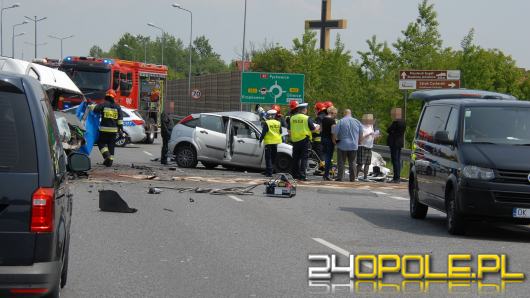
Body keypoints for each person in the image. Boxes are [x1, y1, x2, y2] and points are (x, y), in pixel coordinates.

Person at [92, 89, 123, 167]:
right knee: (111, 145)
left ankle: (106, 156)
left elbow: (95, 110)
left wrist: (92, 105)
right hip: (114, 131)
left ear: (106, 96)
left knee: (101, 143)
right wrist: (121, 129)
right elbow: (120, 120)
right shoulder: (117, 106)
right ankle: (110, 162)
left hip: (104, 130)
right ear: (113, 97)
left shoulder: (103, 104)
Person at [288, 102, 318, 181]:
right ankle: (302, 175)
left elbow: (289, 131)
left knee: (295, 158)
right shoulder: (307, 118)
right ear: (304, 110)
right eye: (306, 109)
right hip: (304, 140)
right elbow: (313, 129)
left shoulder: (292, 118)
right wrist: (318, 127)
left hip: (295, 140)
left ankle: (294, 174)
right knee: (304, 158)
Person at [332, 109, 363, 182]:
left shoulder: (341, 121)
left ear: (344, 113)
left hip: (342, 145)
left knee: (341, 162)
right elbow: (361, 133)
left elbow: (335, 133)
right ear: (350, 113)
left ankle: (340, 177)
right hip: (353, 145)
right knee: (352, 162)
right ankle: (352, 178)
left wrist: (334, 141)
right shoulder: (357, 122)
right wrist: (359, 142)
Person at [259, 110, 283, 177]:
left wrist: (260, 140)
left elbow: (263, 133)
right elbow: (280, 132)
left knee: (268, 158)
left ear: (269, 115)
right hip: (276, 142)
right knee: (273, 157)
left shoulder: (267, 123)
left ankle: (269, 173)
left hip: (269, 142)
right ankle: (270, 170)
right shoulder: (278, 123)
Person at [357, 114, 380, 181]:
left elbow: (373, 137)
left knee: (367, 163)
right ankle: (355, 176)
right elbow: (360, 138)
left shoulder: (371, 126)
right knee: (360, 163)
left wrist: (376, 136)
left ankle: (365, 177)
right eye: (368, 120)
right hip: (362, 146)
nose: (370, 121)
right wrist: (368, 134)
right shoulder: (361, 127)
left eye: (370, 120)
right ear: (365, 120)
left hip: (369, 146)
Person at [387, 107, 406, 183]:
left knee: (395, 160)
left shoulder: (396, 122)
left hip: (394, 143)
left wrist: (392, 131)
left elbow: (388, 130)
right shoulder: (403, 122)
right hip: (400, 142)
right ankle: (397, 177)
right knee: (398, 160)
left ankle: (396, 178)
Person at [321, 106, 338, 181]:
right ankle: (326, 175)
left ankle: (326, 174)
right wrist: (334, 141)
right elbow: (333, 132)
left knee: (325, 157)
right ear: (332, 112)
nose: (336, 115)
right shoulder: (332, 121)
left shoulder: (323, 119)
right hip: (329, 140)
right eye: (335, 113)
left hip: (323, 139)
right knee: (328, 158)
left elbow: (320, 130)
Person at [312, 102, 327, 175]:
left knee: (320, 155)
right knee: (323, 155)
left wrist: (312, 131)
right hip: (325, 139)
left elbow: (318, 128)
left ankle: (324, 169)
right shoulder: (326, 116)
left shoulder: (319, 117)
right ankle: (321, 169)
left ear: (318, 109)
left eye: (315, 109)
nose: (314, 111)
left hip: (319, 139)